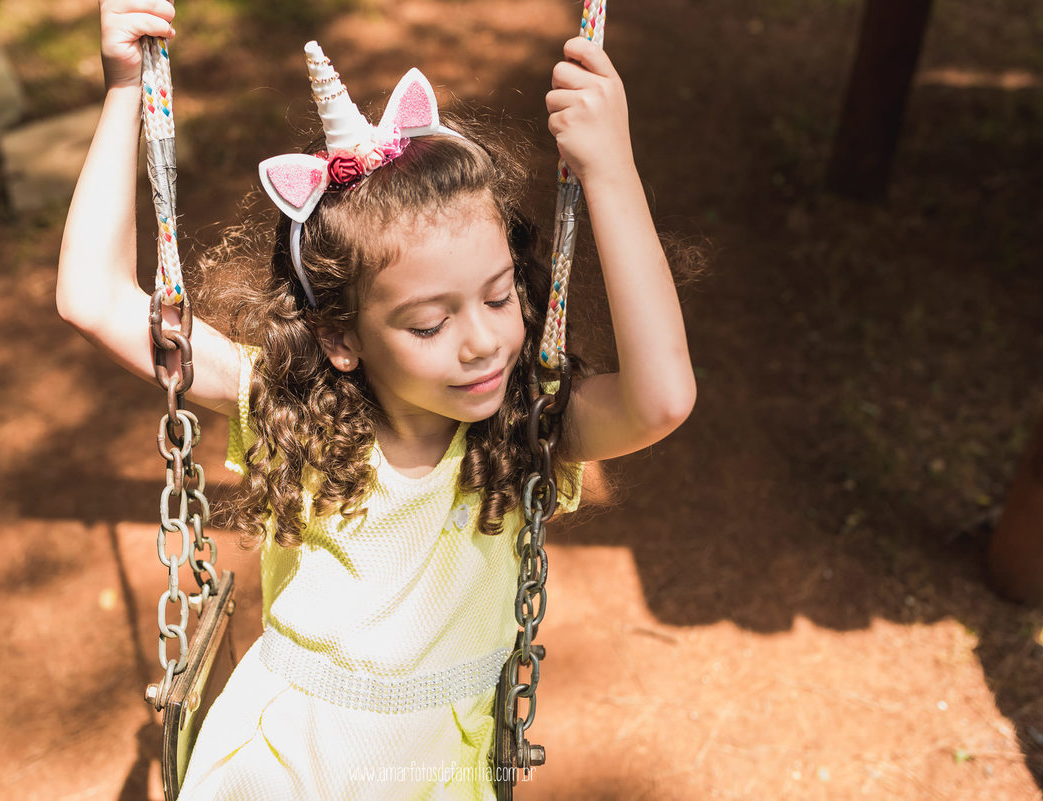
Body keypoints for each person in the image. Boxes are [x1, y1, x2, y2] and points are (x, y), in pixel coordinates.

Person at [58, 1, 697, 797]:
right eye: (430, 323)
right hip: (281, 772)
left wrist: (611, 170)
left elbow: (662, 399)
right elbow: (93, 300)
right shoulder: (290, 411)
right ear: (340, 337)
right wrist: (127, 86)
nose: (482, 342)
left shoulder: (520, 432)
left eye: (500, 296)